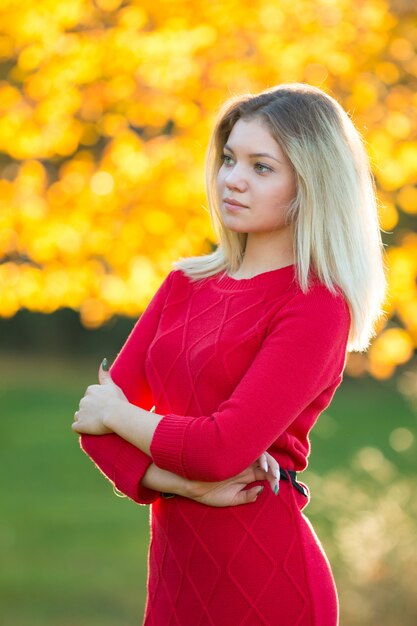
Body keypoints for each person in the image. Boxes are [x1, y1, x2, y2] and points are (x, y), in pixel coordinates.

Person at [72, 82, 387, 626]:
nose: (231, 180)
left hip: (265, 580)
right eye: (228, 159)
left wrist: (118, 415)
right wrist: (180, 483)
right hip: (175, 576)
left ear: (310, 186)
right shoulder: (184, 284)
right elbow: (95, 438)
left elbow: (220, 448)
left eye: (261, 167)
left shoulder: (316, 306)